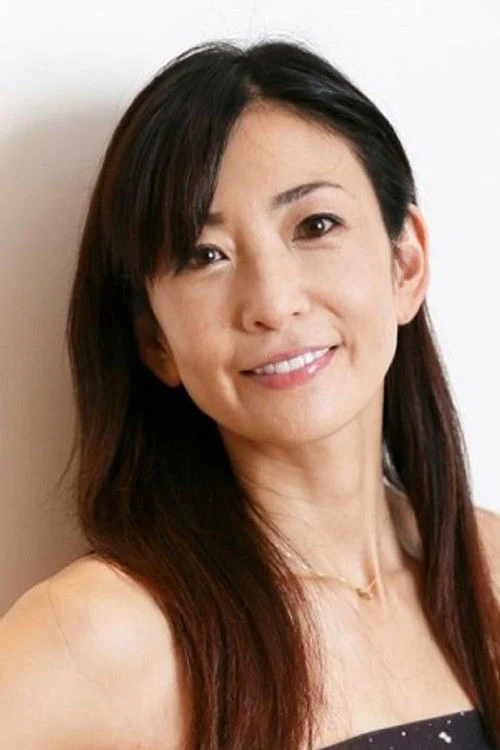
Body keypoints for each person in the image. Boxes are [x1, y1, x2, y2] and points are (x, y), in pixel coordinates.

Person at [1, 38, 499, 750]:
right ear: (155, 341)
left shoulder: (490, 566)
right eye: (204, 255)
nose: (271, 301)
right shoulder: (105, 636)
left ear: (406, 264)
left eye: (315, 226)